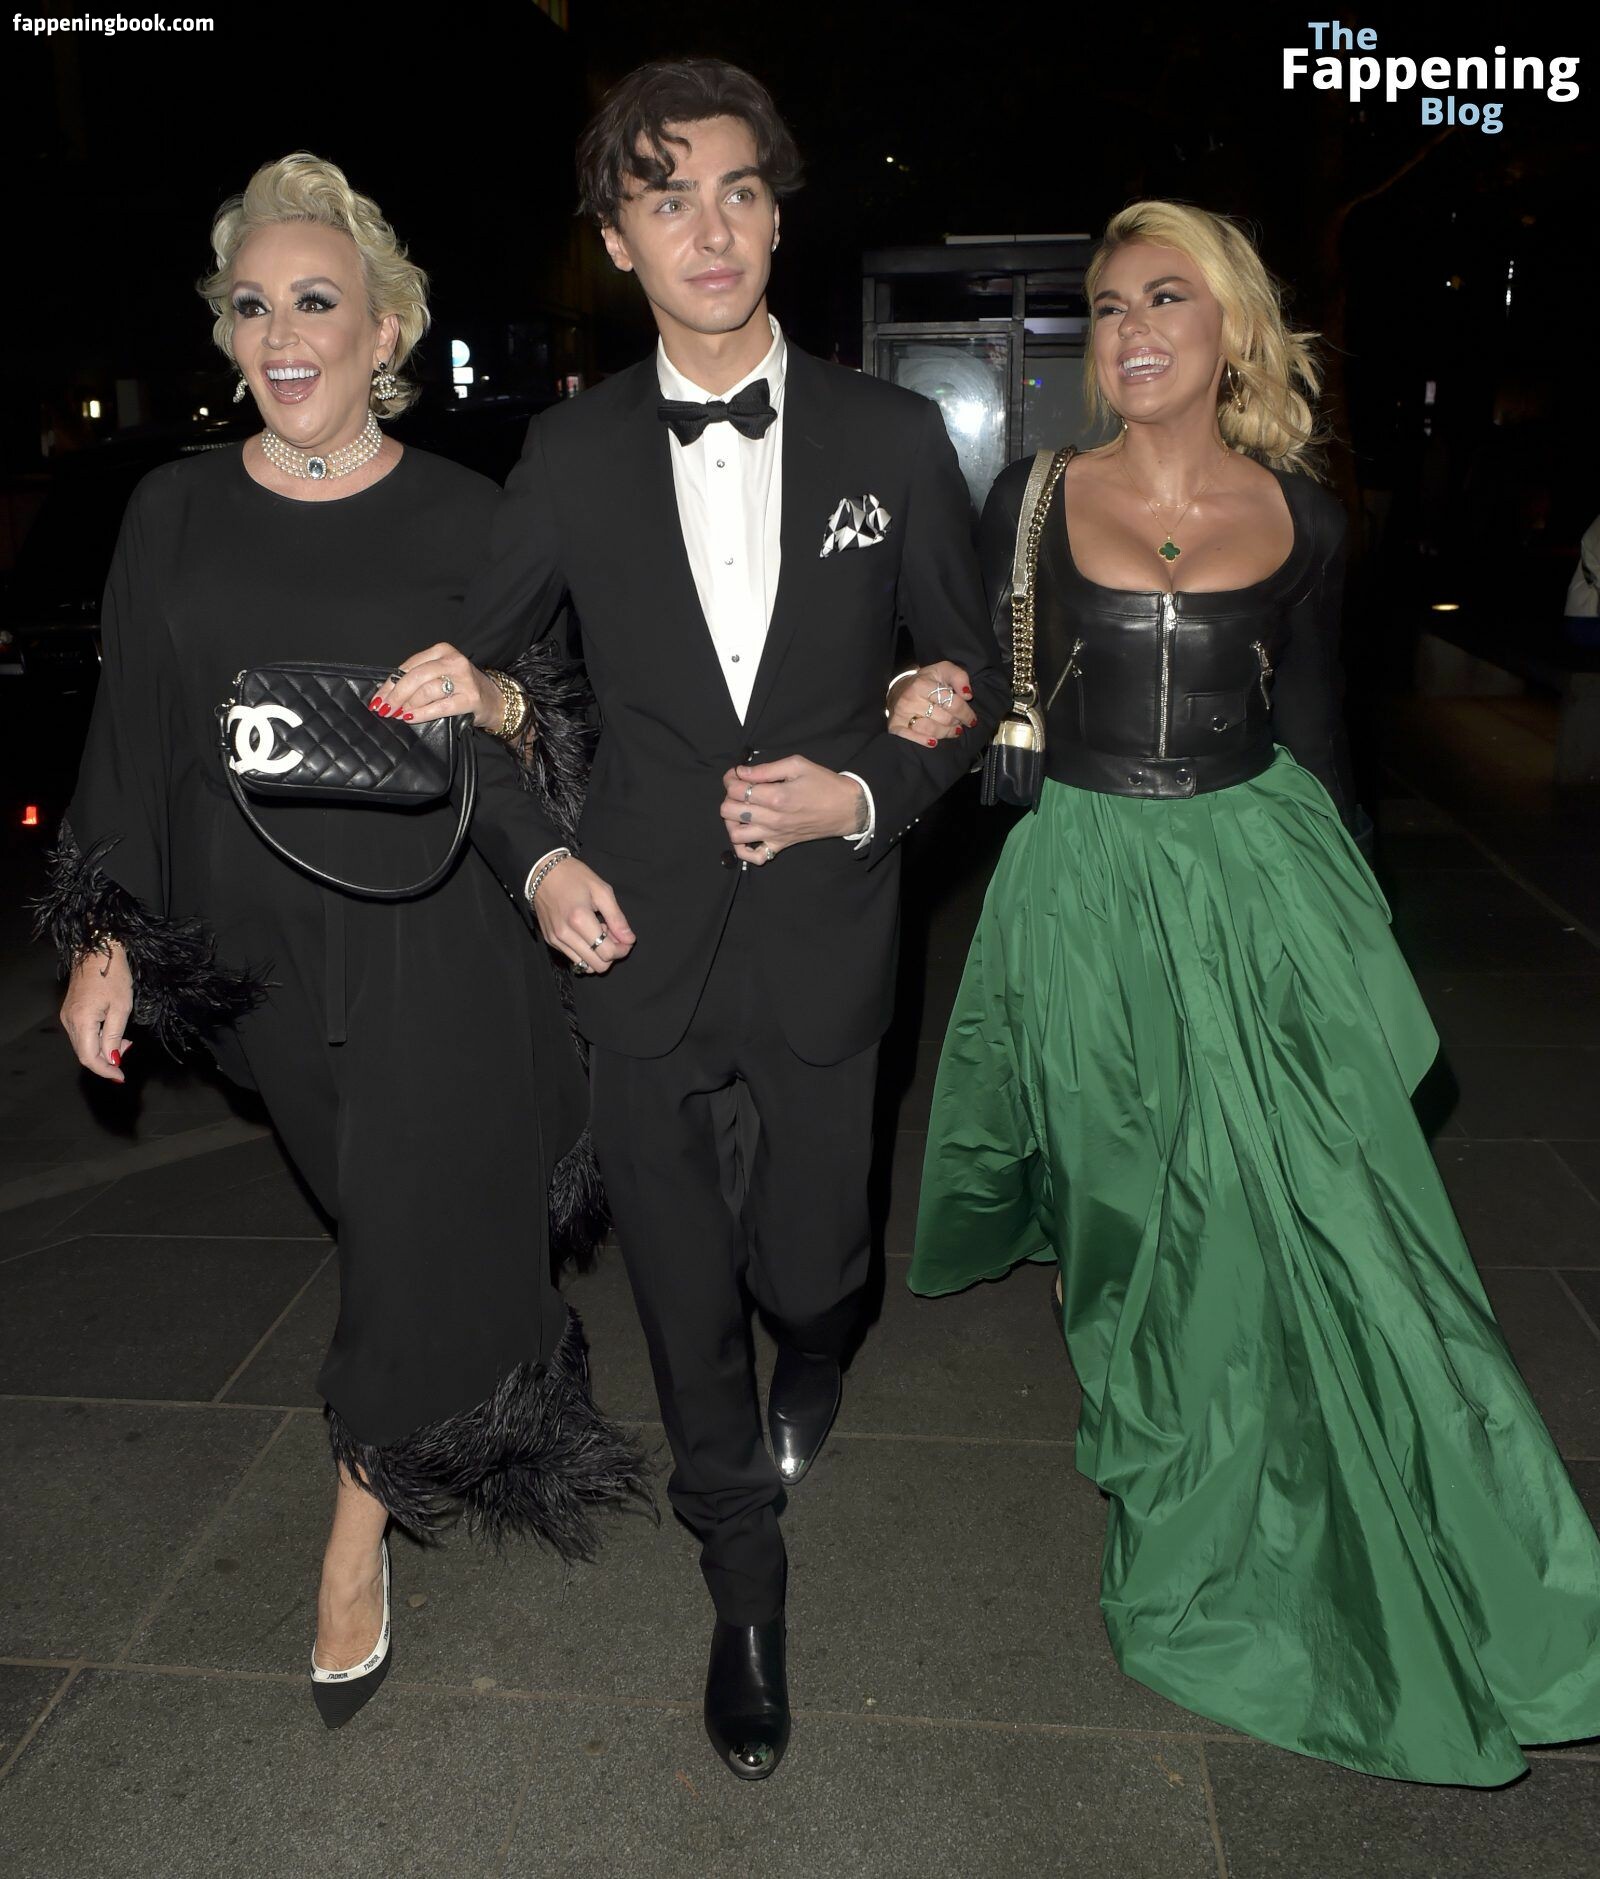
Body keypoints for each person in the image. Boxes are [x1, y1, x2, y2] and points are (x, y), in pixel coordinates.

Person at [905, 201, 1600, 1786]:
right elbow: (971, 681)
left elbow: (1327, 742)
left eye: (1169, 297)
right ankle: (1181, 1491)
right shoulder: (1033, 495)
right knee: (1129, 1222)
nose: (1134, 328)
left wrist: (1362, 946)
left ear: (1231, 329)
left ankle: (1433, 1545)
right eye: (1109, 305)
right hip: (1085, 893)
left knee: (1340, 1229)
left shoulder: (1309, 520)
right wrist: (909, 714)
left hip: (1259, 887)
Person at [376, 59, 1007, 1779]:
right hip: (634, 947)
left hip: (828, 938)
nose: (709, 230)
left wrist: (862, 785)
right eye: (668, 201)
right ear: (617, 241)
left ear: (778, 218)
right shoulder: (570, 453)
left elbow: (968, 672)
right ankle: (742, 1582)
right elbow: (462, 690)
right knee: (677, 1293)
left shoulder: (891, 438)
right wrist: (538, 863)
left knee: (814, 1266)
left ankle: (820, 1333)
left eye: (738, 192)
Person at [39, 154, 648, 1731]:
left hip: (432, 934)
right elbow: (134, 739)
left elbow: (531, 729)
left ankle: (353, 1537)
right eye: (253, 306)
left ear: (387, 332)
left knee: (401, 1230)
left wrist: (536, 844)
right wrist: (104, 936)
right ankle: (497, 1325)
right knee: (398, 1218)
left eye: (317, 302)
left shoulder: (468, 516)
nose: (282, 335)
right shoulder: (172, 511)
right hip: (261, 951)